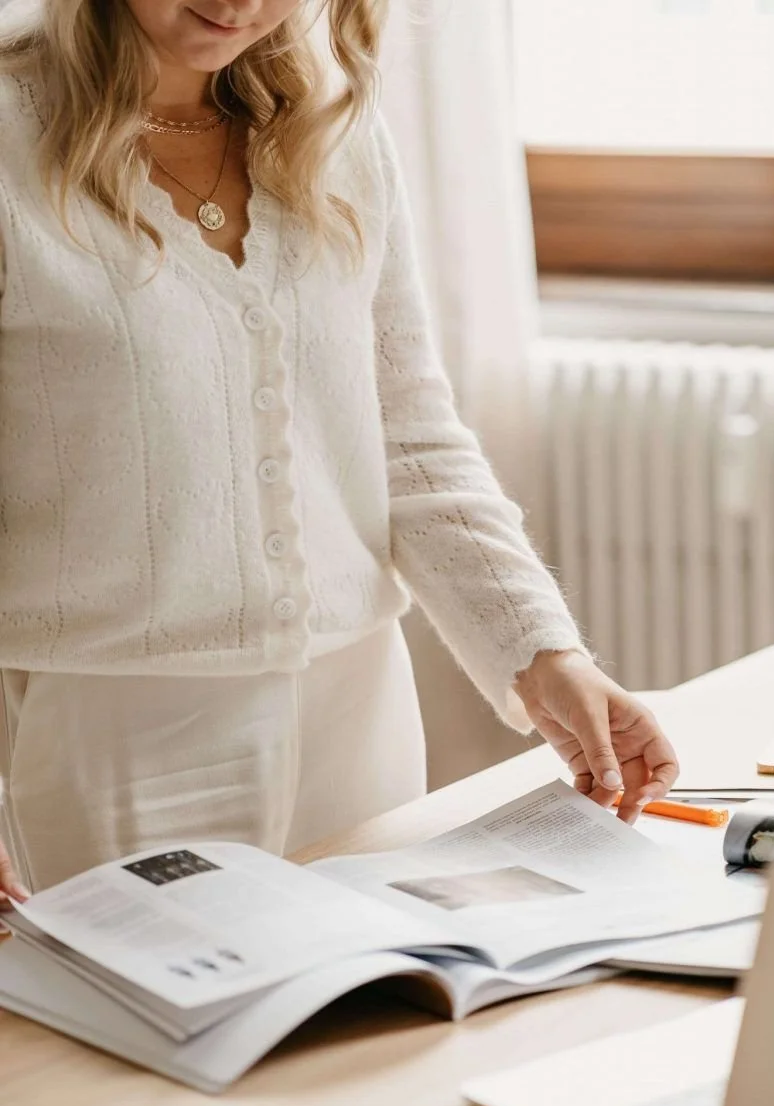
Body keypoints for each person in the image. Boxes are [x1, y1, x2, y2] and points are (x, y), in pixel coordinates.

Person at [0, 0, 679, 898]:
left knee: (374, 1031)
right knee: (134, 1036)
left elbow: (407, 426)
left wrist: (546, 655)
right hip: (117, 728)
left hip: (357, 713)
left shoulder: (333, 130)